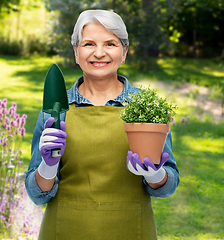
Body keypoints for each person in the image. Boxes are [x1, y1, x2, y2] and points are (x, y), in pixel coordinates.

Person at [25, 9, 179, 240]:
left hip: (130, 230)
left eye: (110, 44)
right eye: (88, 44)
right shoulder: (56, 110)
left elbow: (168, 185)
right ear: (76, 52)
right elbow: (37, 195)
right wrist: (47, 167)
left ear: (124, 52)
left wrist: (155, 175)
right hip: (65, 230)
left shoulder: (145, 107)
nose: (99, 53)